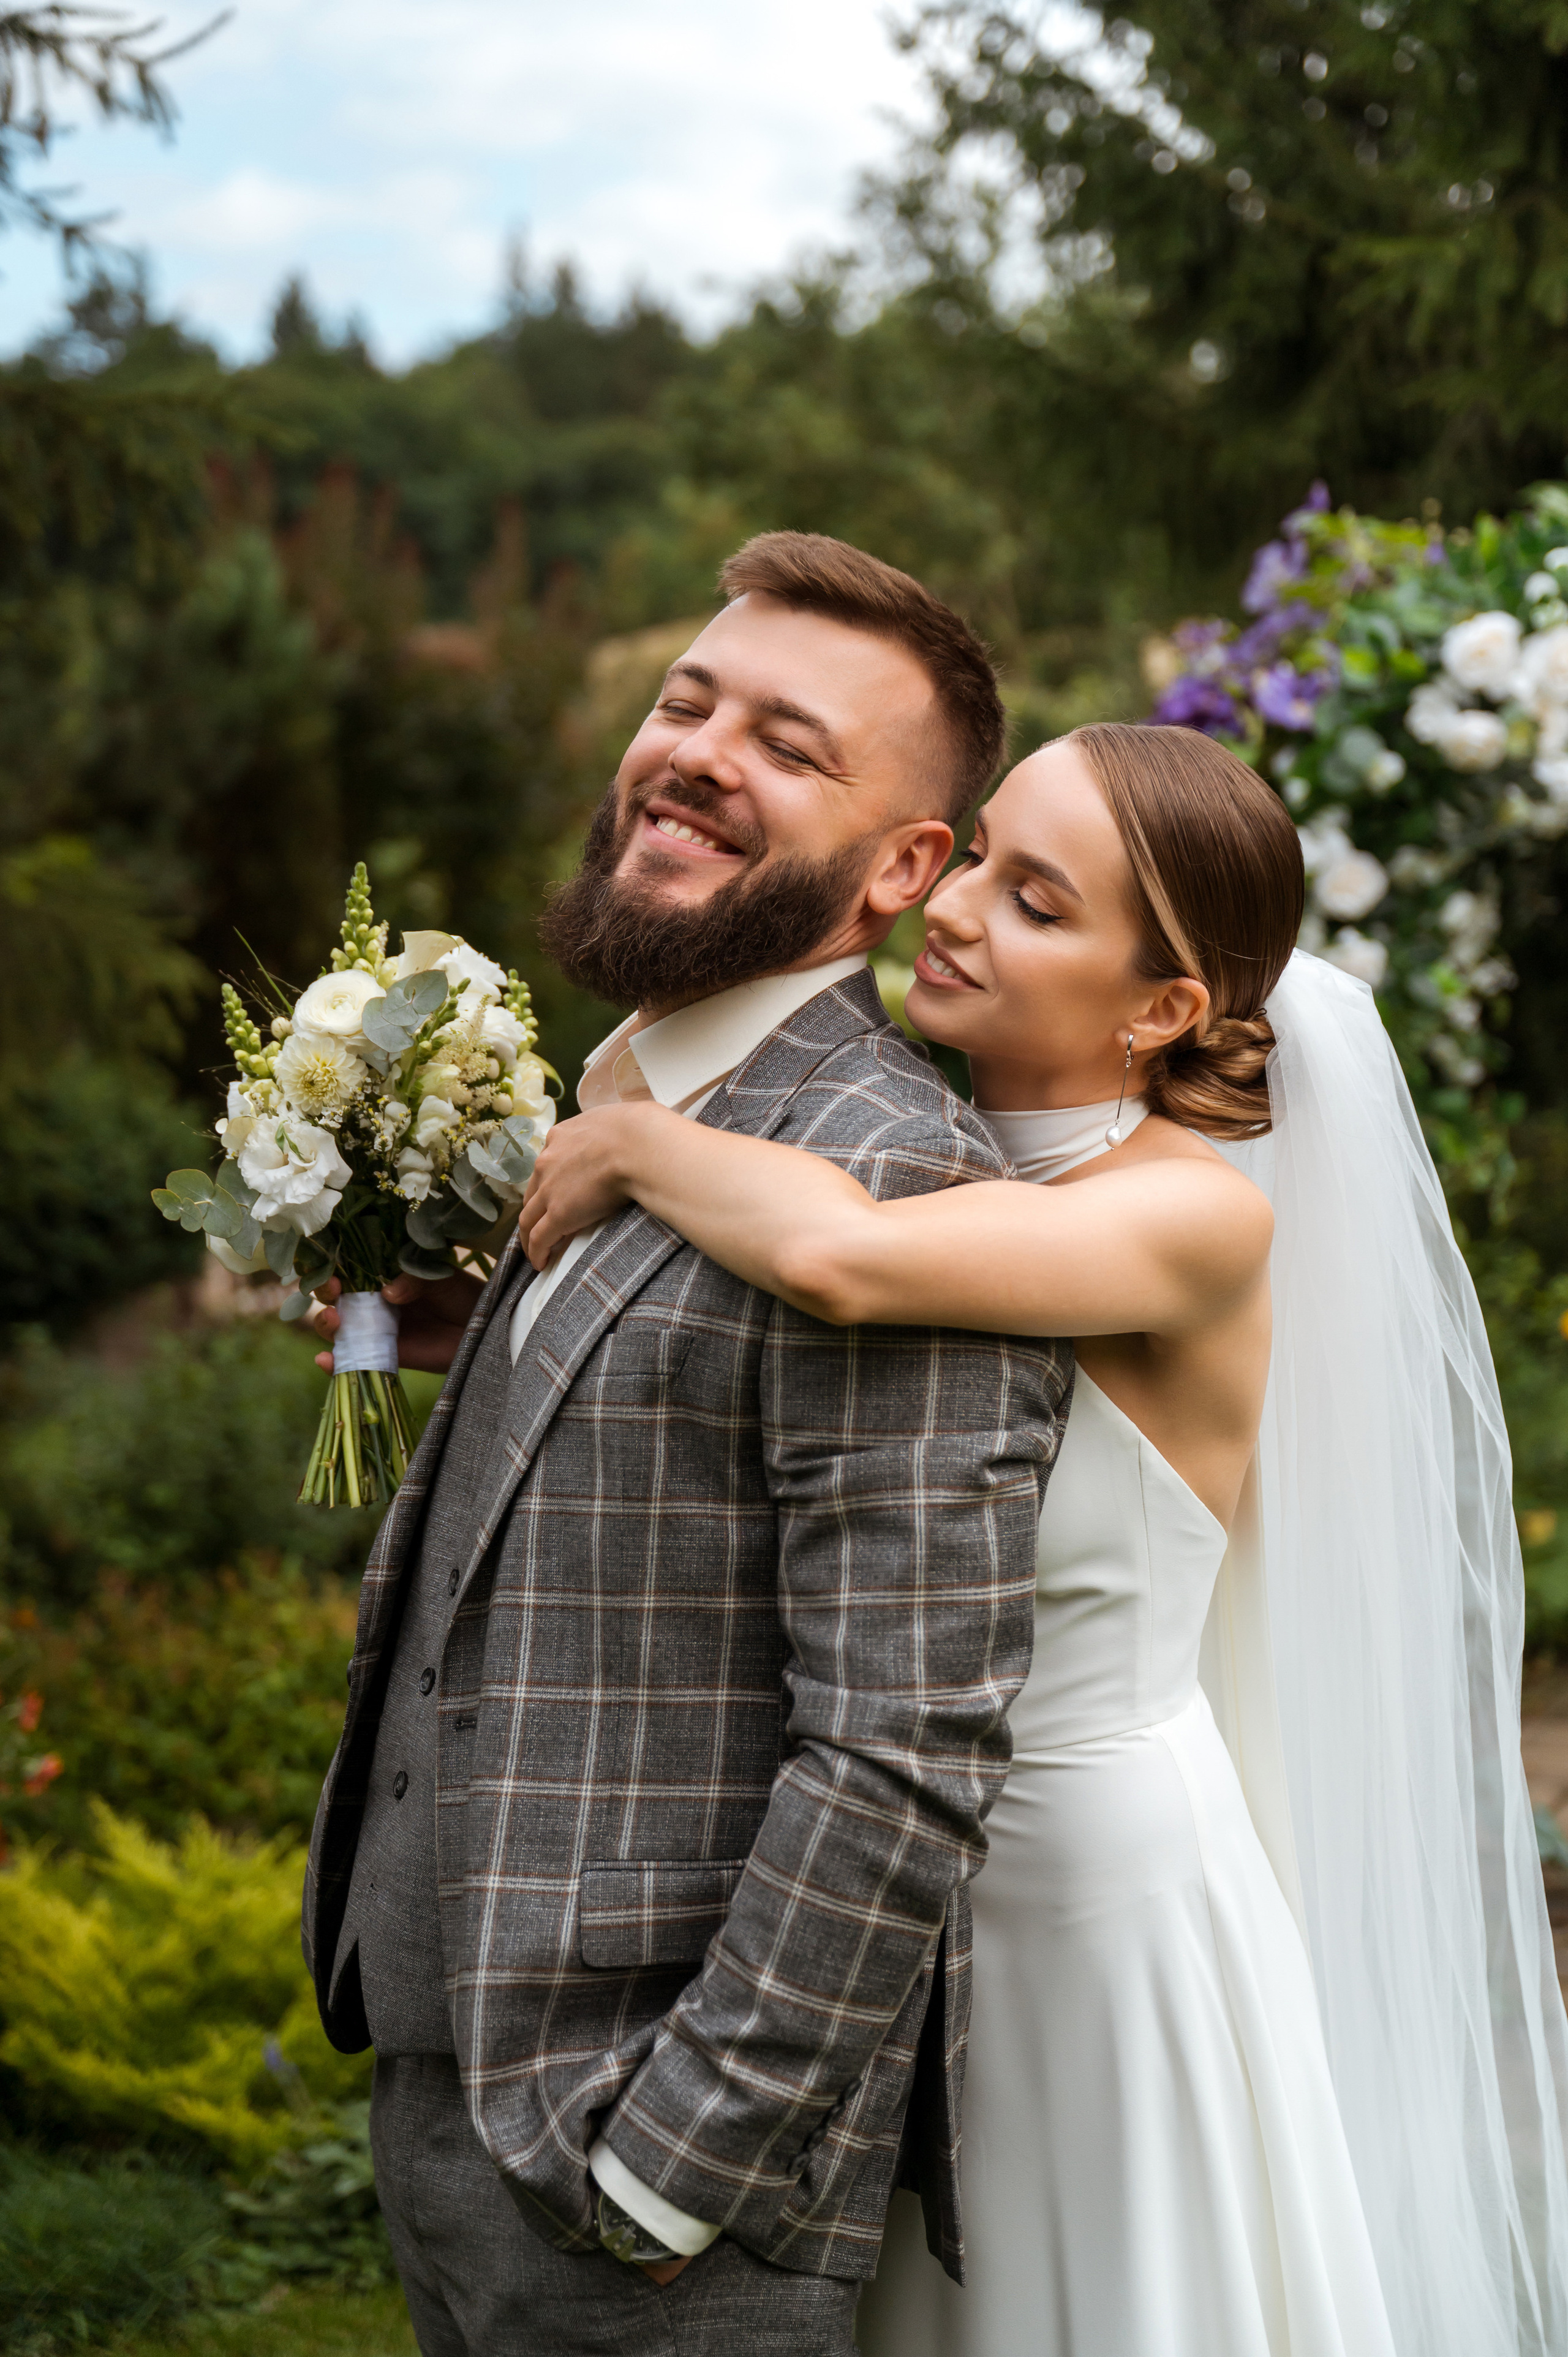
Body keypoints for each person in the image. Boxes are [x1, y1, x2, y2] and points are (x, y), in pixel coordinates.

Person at [518, 720, 1568, 2357]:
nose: (963, 907)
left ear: (1164, 1009)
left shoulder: (1193, 1213)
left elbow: (848, 1265)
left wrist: (639, 1142)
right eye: (986, 851)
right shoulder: (911, 1137)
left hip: (1086, 1898)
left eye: (1041, 900)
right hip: (869, 1881)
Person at [303, 531, 1074, 2357]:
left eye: (790, 746)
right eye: (688, 700)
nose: (700, 748)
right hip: (457, 2087)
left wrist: (672, 2161)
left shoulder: (882, 1172)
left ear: (905, 868)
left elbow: (903, 1742)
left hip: (645, 2172)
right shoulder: (641, 1092)